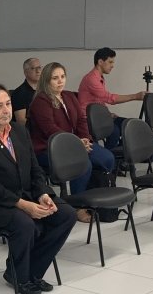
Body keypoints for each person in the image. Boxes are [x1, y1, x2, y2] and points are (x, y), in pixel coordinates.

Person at [0, 84, 76, 294]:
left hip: (25, 195)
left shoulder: (19, 131)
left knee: (66, 214)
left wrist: (42, 194)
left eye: (8, 104)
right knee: (24, 223)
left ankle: (33, 271)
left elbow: (35, 170)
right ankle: (19, 276)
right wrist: (23, 205)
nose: (6, 110)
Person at [29, 62, 116, 222]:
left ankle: (97, 199)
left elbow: (81, 120)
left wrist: (85, 139)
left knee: (107, 158)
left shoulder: (69, 96)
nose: (60, 81)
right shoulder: (41, 101)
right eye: (55, 78)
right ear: (46, 80)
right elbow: (50, 129)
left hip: (75, 144)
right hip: (49, 149)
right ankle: (77, 206)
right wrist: (76, 143)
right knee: (84, 165)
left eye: (62, 76)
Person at [77, 47, 146, 149]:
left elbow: (99, 101)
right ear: (100, 62)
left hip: (99, 117)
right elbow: (110, 99)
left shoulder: (99, 77)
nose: (112, 65)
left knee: (129, 124)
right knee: (114, 131)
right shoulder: (91, 79)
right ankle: (110, 155)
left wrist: (108, 114)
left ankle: (121, 153)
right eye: (110, 62)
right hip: (89, 120)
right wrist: (136, 96)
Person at [11, 58, 42, 124]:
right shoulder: (19, 93)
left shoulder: (46, 90)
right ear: (25, 72)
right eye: (33, 68)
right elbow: (21, 121)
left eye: (39, 67)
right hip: (30, 129)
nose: (38, 71)